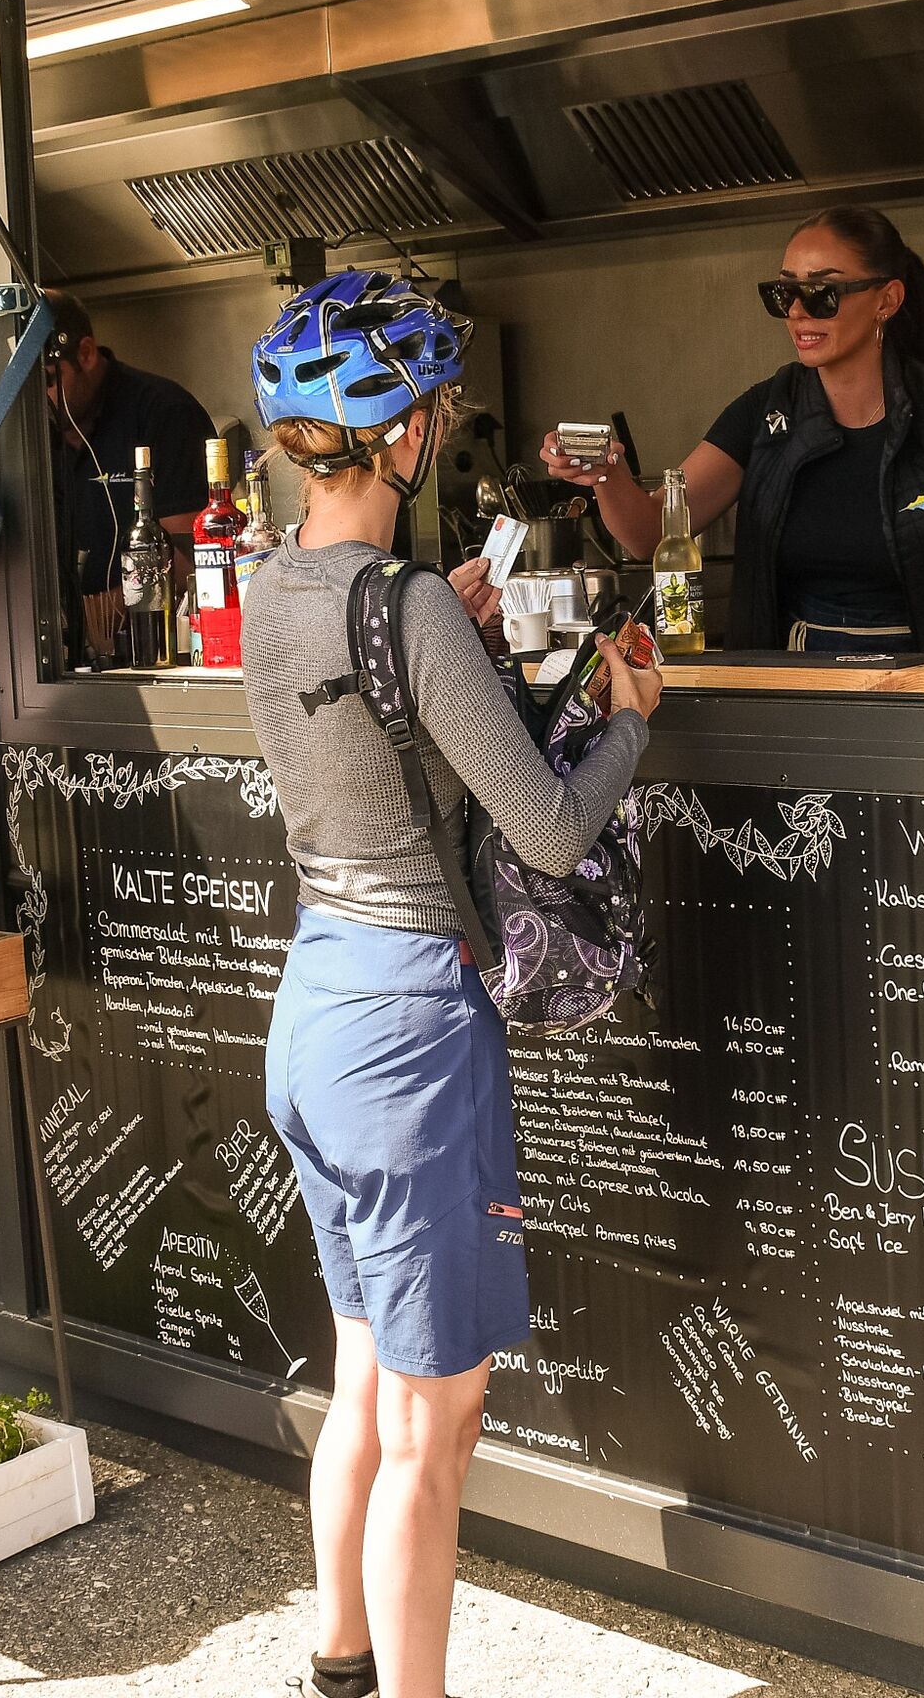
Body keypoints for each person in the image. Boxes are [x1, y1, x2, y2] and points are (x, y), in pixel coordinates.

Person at [241, 269, 661, 1698]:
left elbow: (362, 732)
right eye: (435, 407)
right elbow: (547, 828)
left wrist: (446, 632)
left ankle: (340, 1662)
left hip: (314, 1012)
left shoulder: (276, 589)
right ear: (405, 431)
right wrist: (629, 724)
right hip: (413, 1035)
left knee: (362, 1367)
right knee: (442, 1425)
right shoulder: (408, 604)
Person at [541, 205, 924, 656]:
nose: (799, 311)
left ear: (887, 299)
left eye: (823, 293)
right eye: (785, 293)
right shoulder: (765, 414)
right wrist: (604, 473)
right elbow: (652, 534)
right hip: (799, 685)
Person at [41, 288, 213, 607]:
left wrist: (96, 614)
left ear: (86, 354)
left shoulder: (166, 413)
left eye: (47, 381)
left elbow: (192, 557)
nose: (36, 400)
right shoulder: (22, 438)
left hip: (148, 629)